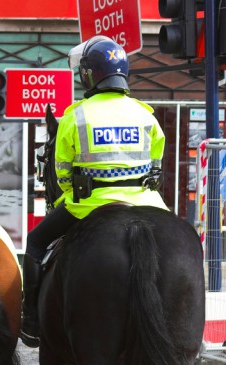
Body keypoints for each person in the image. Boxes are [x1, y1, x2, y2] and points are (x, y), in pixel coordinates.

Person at [20, 36, 168, 348]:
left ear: (90, 75)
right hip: (147, 204)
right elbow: (155, 165)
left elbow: (61, 172)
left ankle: (31, 321)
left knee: (34, 243)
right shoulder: (146, 114)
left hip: (88, 205)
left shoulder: (76, 115)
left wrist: (69, 196)